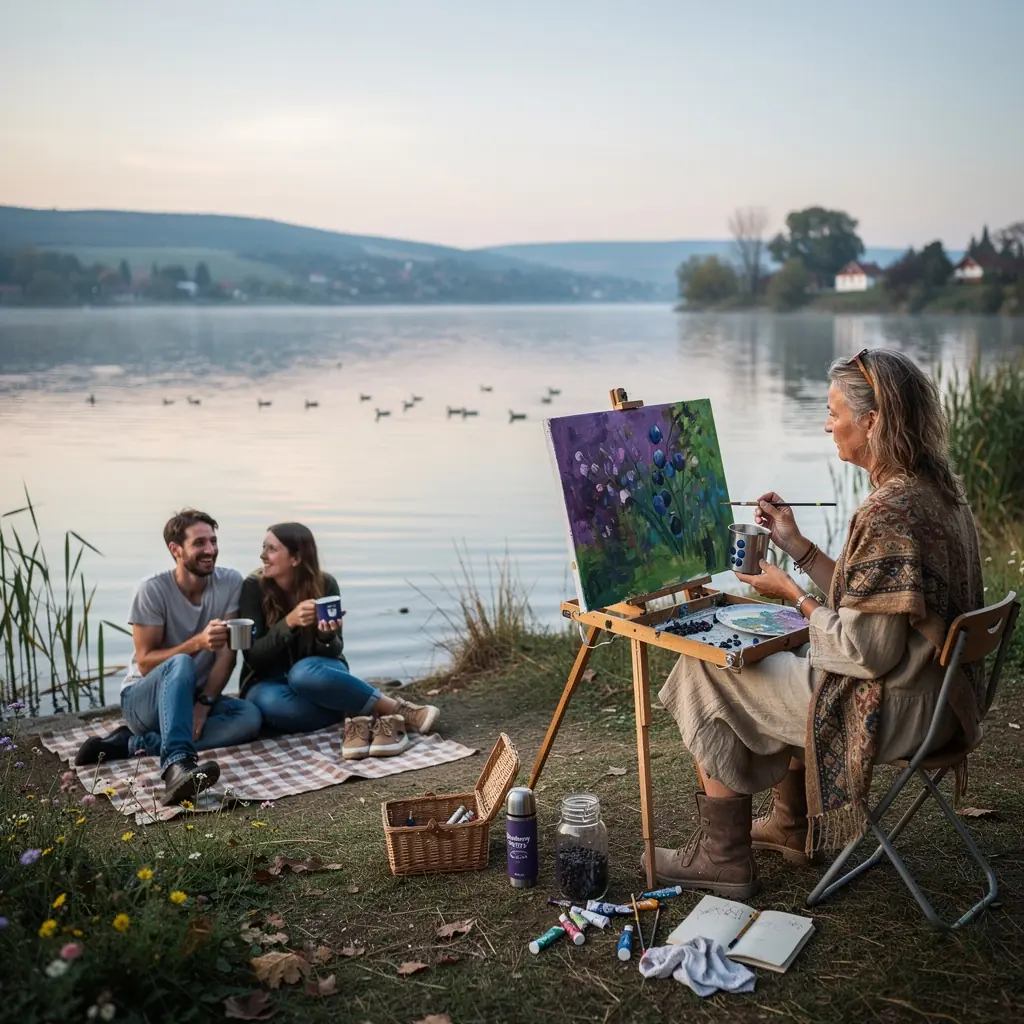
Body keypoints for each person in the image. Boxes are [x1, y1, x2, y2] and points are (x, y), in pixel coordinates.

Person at [647, 349, 984, 898]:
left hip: (897, 709)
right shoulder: (937, 493)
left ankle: (722, 857)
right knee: (784, 660)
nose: (828, 424)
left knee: (704, 666)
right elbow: (881, 602)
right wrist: (797, 547)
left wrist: (794, 596)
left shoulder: (886, 513)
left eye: (834, 413)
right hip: (945, 700)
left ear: (872, 422)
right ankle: (789, 824)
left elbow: (865, 651)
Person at [75, 510, 263, 805]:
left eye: (213, 541)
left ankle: (133, 744)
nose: (210, 550)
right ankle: (177, 764)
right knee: (181, 662)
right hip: (142, 701)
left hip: (192, 698)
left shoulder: (229, 582)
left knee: (249, 717)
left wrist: (204, 704)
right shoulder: (152, 590)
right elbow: (146, 661)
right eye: (199, 543)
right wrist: (197, 642)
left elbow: (228, 653)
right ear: (175, 550)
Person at [239, 523, 439, 757]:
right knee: (268, 704)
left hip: (315, 673)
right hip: (268, 683)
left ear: (296, 558)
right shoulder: (253, 587)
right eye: (264, 547)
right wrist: (289, 622)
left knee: (302, 674)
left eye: (271, 549)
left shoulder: (325, 585)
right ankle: (358, 713)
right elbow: (253, 657)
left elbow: (335, 651)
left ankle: (393, 710)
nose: (262, 555)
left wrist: (326, 634)